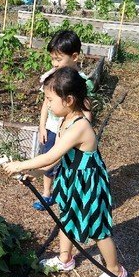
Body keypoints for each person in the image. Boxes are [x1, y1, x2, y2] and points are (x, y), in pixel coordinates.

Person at [4, 67, 127, 277]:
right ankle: (65, 259)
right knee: (66, 218)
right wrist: (39, 173)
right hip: (71, 178)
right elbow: (57, 159)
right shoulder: (64, 121)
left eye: (50, 100)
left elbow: (50, 154)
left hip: (89, 183)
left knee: (98, 229)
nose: (47, 105)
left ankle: (115, 270)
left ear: (69, 100)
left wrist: (21, 164)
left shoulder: (80, 125)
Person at [33, 30, 92, 212]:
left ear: (74, 56)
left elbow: (87, 110)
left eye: (58, 59)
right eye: (52, 59)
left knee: (65, 163)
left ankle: (65, 192)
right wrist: (42, 126)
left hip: (70, 134)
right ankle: (46, 193)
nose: (54, 63)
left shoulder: (81, 83)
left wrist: (84, 130)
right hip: (52, 128)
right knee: (48, 160)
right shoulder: (52, 78)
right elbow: (45, 103)